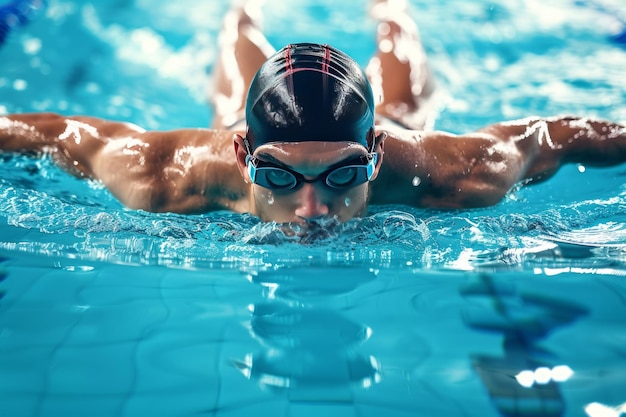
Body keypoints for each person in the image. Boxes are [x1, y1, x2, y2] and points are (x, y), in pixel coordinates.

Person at [0, 0, 625, 225]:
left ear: (373, 154)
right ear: (246, 155)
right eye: (279, 175)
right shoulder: (162, 173)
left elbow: (554, 137)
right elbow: (57, 134)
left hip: (397, 124)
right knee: (237, 35)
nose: (312, 208)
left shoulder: (451, 172)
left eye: (341, 175)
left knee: (397, 48)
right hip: (233, 123)